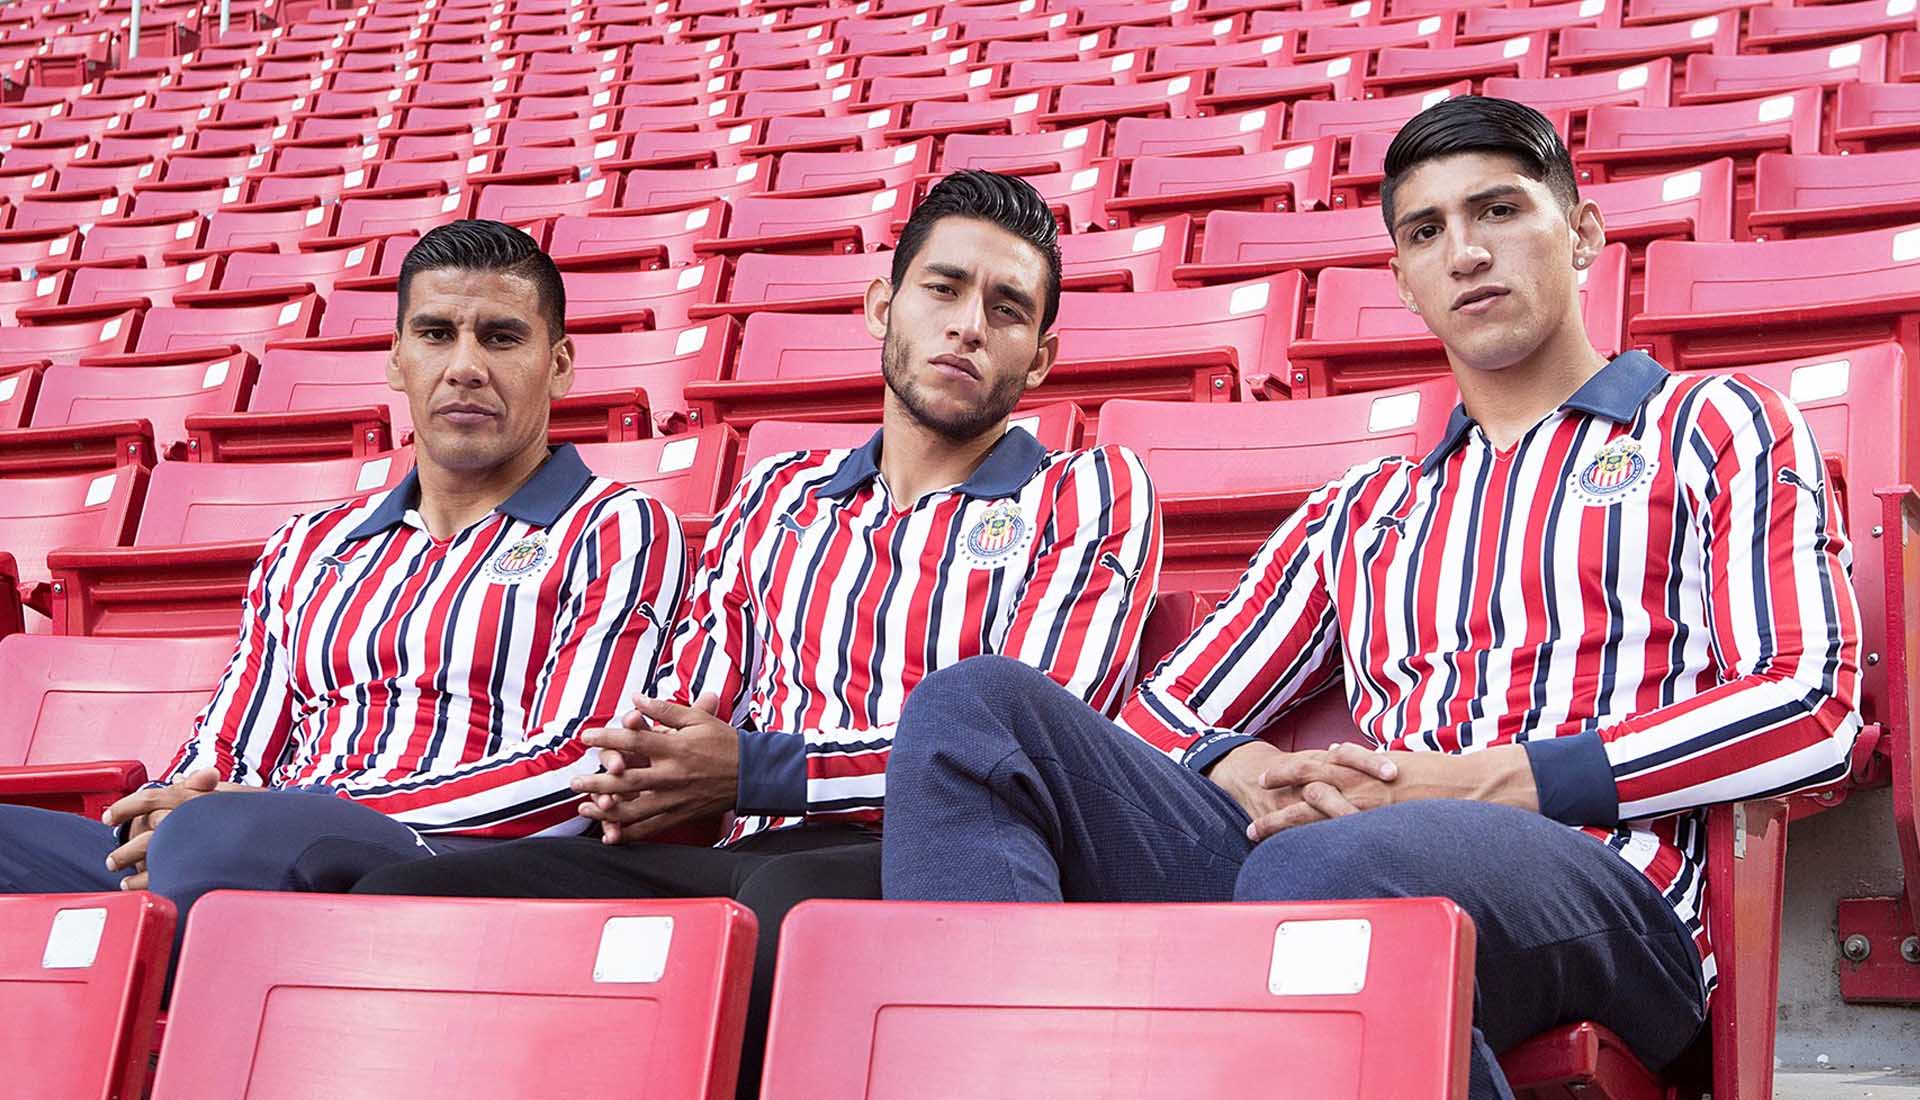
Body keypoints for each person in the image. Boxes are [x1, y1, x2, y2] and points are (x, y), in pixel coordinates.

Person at [879, 98, 1862, 1100]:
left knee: (1322, 879)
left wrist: (1483, 781)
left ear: (1582, 232)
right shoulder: (1366, 508)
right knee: (972, 713)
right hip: (1345, 862)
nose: (1465, 253)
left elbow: (1810, 707)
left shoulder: (1712, 423)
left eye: (1499, 210)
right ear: (1402, 280)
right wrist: (1242, 764)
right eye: (1426, 232)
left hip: (1611, 891)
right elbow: (1159, 717)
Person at [354, 170, 1163, 1098]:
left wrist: (759, 768)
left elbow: (1017, 747)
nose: (969, 326)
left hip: (935, 860)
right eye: (943, 289)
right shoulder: (778, 493)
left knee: (783, 912)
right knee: (405, 900)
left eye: (1006, 309)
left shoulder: (1086, 490)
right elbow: (688, 699)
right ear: (882, 307)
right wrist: (645, 767)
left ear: (1041, 357)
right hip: (738, 852)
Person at [0, 219, 687, 938]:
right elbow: (230, 741)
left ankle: (175, 966)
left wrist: (298, 811)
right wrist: (172, 810)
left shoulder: (615, 526)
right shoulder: (308, 542)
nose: (465, 366)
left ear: (560, 364)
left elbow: (580, 767)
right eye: (435, 334)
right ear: (396, 358)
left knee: (227, 835)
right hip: (248, 845)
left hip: (442, 862)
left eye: (501, 338)